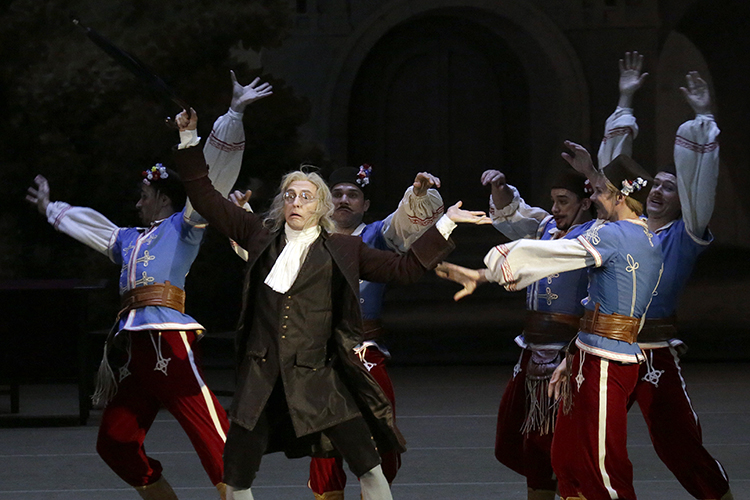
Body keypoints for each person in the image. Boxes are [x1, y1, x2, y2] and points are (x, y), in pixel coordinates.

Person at [170, 108, 490, 500]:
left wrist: (446, 223)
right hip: (261, 374)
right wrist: (189, 139)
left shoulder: (344, 247)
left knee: (369, 466)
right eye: (290, 195)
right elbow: (204, 196)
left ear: (319, 206)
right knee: (236, 475)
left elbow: (405, 268)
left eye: (306, 196)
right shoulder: (258, 234)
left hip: (318, 378)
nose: (296, 202)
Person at [25, 74, 272, 500]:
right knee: (115, 441)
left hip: (167, 339)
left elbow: (208, 182)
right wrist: (51, 208)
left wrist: (232, 116)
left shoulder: (186, 224)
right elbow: (92, 228)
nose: (137, 203)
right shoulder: (127, 240)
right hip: (134, 348)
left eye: (143, 195)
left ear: (161, 196)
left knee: (211, 431)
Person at [437, 147, 663, 500]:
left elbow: (555, 255)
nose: (596, 195)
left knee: (602, 469)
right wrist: (575, 355)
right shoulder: (644, 235)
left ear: (620, 197)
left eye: (601, 191)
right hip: (590, 353)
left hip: (606, 360)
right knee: (567, 457)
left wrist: (485, 272)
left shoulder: (614, 236)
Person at [600, 60, 733, 499]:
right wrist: (625, 98)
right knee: (590, 440)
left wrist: (705, 116)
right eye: (654, 184)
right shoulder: (625, 225)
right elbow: (609, 173)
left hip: (654, 353)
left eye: (670, 187)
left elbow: (701, 183)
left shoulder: (686, 234)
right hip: (607, 347)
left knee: (679, 445)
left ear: (683, 199)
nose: (657, 190)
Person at [307, 165, 444, 499]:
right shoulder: (309, 239)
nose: (343, 200)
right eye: (337, 194)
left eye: (352, 195)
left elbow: (407, 221)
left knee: (382, 443)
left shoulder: (379, 236)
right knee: (323, 451)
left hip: (365, 352)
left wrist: (418, 196)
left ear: (365, 205)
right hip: (320, 356)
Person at [482, 164, 592, 500]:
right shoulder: (545, 226)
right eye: (554, 201)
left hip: (568, 352)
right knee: (524, 439)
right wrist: (499, 187)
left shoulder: (597, 236)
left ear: (585, 203)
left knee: (561, 444)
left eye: (563, 201)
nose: (555, 208)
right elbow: (512, 216)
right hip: (532, 349)